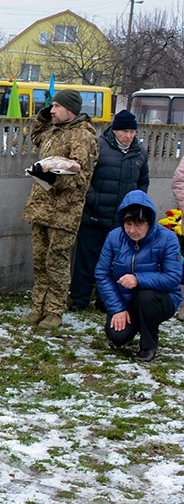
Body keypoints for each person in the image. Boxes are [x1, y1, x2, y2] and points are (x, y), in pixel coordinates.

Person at [21, 89, 99, 329]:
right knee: (39, 261)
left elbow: (81, 177)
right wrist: (45, 115)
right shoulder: (54, 130)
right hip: (41, 208)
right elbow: (35, 135)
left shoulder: (83, 136)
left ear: (70, 109)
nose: (52, 110)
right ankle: (38, 307)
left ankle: (54, 311)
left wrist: (53, 178)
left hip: (64, 212)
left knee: (56, 262)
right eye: (51, 106)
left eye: (56, 106)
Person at [71, 109, 149, 312]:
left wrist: (136, 206)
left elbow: (143, 182)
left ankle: (105, 301)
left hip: (122, 219)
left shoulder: (140, 152)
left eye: (132, 131)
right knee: (86, 261)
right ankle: (79, 299)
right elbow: (84, 176)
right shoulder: (99, 146)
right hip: (94, 215)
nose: (129, 136)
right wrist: (92, 198)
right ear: (114, 130)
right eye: (124, 131)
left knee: (116, 264)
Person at [95, 190, 182, 362]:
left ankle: (148, 345)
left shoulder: (167, 238)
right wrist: (117, 308)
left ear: (149, 222)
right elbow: (102, 274)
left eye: (139, 224)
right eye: (128, 224)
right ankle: (131, 325)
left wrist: (138, 279)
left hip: (160, 298)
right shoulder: (114, 237)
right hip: (125, 299)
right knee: (117, 336)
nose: (132, 230)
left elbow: (173, 277)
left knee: (146, 297)